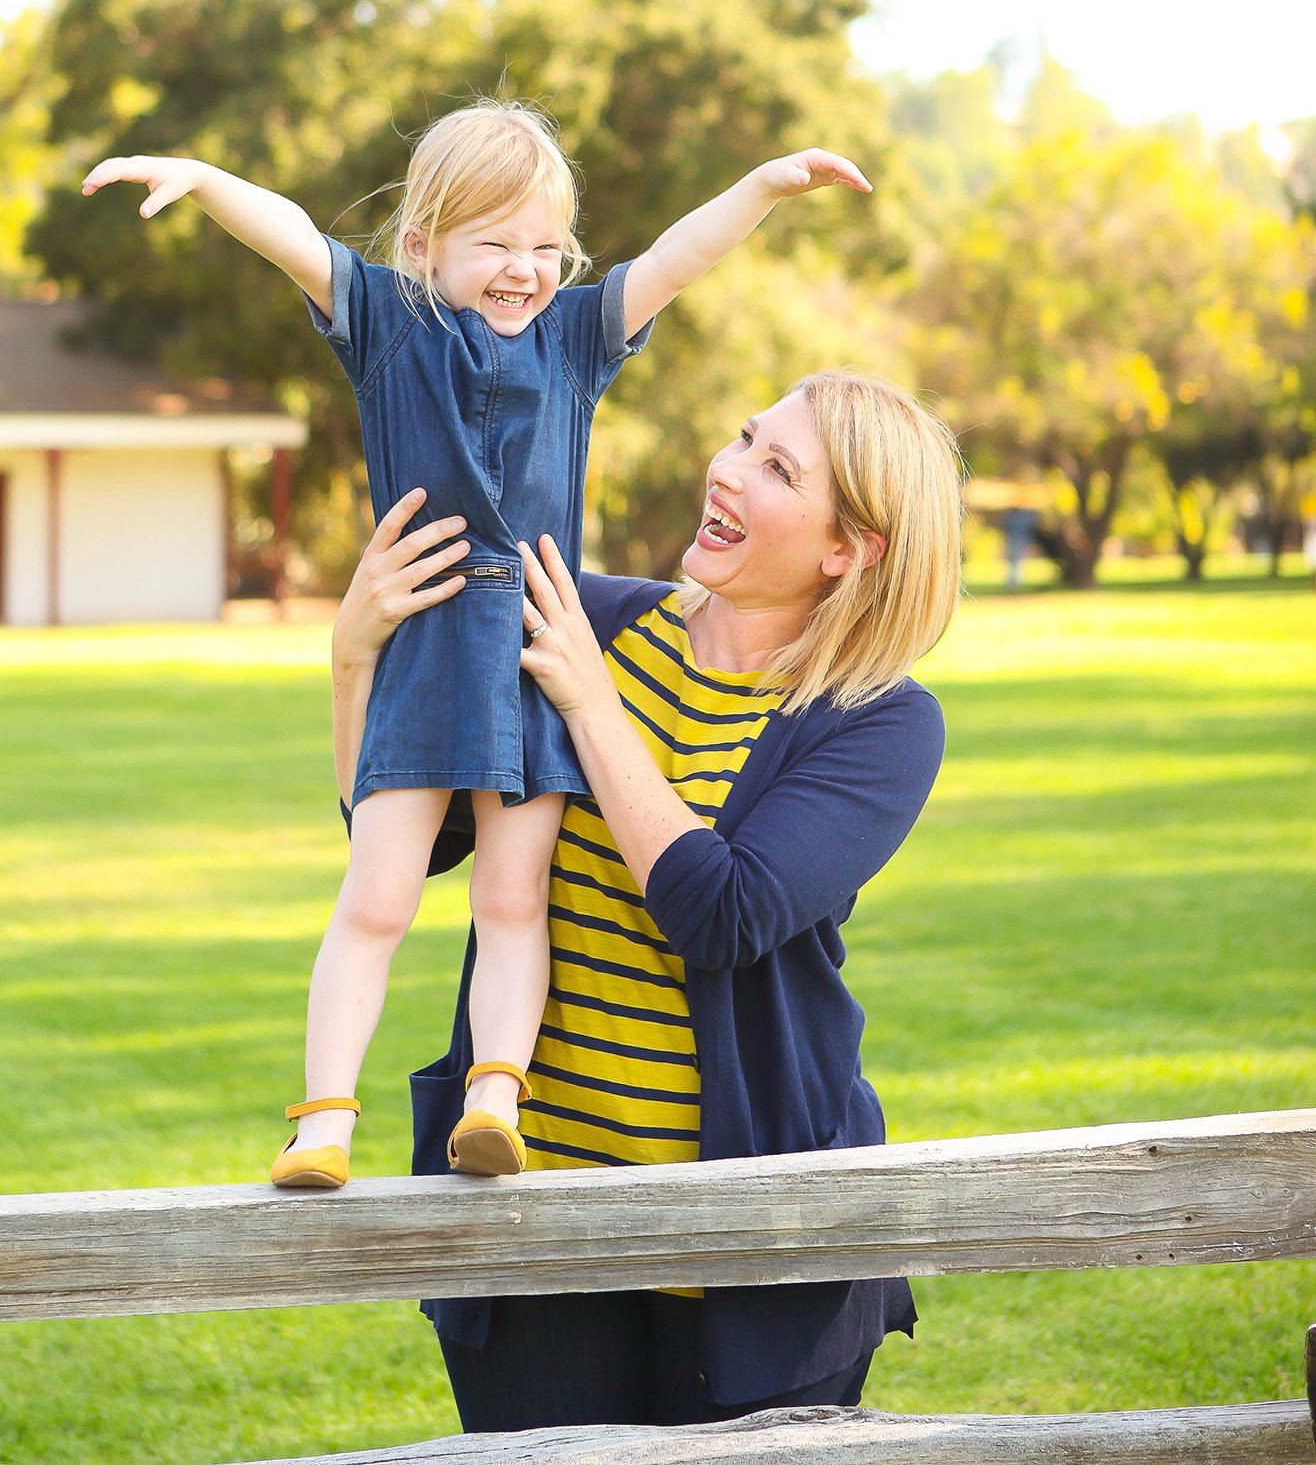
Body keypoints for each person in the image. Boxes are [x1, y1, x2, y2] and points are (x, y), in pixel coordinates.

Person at [80, 102, 871, 1191]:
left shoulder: (575, 341)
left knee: (512, 901)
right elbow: (297, 236)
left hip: (537, 657)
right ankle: (321, 1122)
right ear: (422, 247)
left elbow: (674, 262)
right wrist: (205, 177)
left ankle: (494, 1097)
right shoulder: (389, 328)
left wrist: (764, 187)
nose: (525, 269)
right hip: (425, 646)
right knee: (377, 897)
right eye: (495, 243)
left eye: (546, 248)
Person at [330, 368, 962, 1428]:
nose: (728, 469)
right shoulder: (596, 618)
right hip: (532, 1215)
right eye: (744, 435)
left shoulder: (880, 723)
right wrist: (355, 663)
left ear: (847, 549)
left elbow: (722, 911)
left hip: (758, 1237)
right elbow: (408, 843)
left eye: (777, 467)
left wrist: (589, 698)